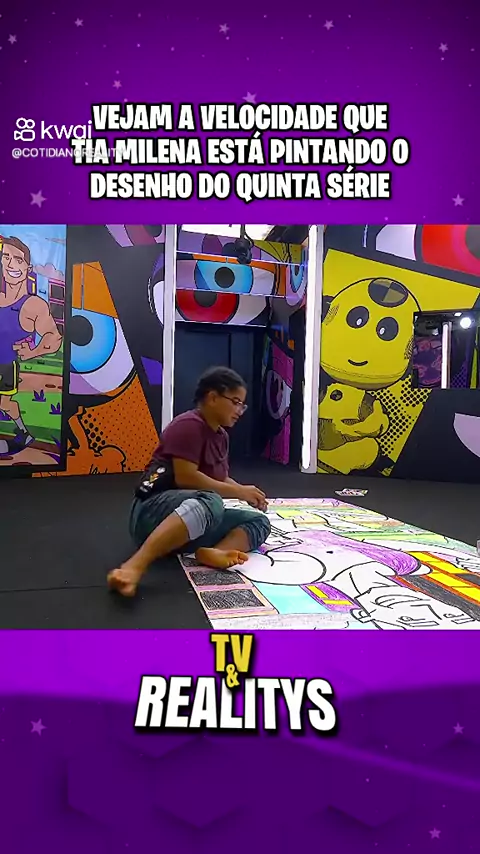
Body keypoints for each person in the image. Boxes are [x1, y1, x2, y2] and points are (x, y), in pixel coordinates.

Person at [108, 366, 271, 597]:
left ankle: (215, 552)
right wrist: (239, 492)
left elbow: (219, 478)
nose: (239, 411)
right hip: (151, 512)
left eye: (242, 405)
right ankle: (134, 565)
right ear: (212, 397)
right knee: (212, 501)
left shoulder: (221, 436)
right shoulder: (188, 425)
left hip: (192, 518)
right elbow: (187, 477)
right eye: (235, 402)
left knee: (258, 522)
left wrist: (245, 491)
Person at [0, 235, 63, 453]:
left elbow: (54, 338)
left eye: (18, 260)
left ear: (27, 268)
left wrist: (33, 352)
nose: (11, 264)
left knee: (5, 404)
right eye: (6, 257)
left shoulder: (33, 305)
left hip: (5, 365)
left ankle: (23, 433)